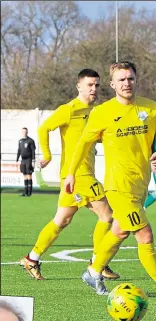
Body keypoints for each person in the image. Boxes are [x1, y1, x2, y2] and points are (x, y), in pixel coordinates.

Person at [64, 61, 156, 298]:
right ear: (112, 84)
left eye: (130, 78)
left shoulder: (150, 108)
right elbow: (82, 144)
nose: (126, 83)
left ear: (136, 80)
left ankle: (94, 270)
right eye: (121, 80)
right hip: (118, 186)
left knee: (119, 231)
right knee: (145, 234)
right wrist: (71, 172)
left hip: (141, 184)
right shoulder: (102, 113)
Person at [20, 69, 119, 281]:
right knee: (107, 215)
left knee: (61, 220)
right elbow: (44, 128)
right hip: (79, 175)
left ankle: (32, 258)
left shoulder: (96, 111)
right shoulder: (69, 109)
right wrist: (47, 154)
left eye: (97, 85)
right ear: (79, 87)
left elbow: (92, 136)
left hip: (73, 176)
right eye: (90, 85)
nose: (94, 89)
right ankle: (97, 263)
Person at [16, 127, 36, 197]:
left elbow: (33, 151)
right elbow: (19, 150)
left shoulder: (30, 141)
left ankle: (29, 192)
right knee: (24, 175)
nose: (24, 133)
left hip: (29, 160)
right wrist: (17, 159)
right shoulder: (20, 141)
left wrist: (33, 160)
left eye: (25, 132)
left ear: (27, 132)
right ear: (22, 132)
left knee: (29, 175)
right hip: (23, 160)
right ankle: (25, 192)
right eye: (23, 132)